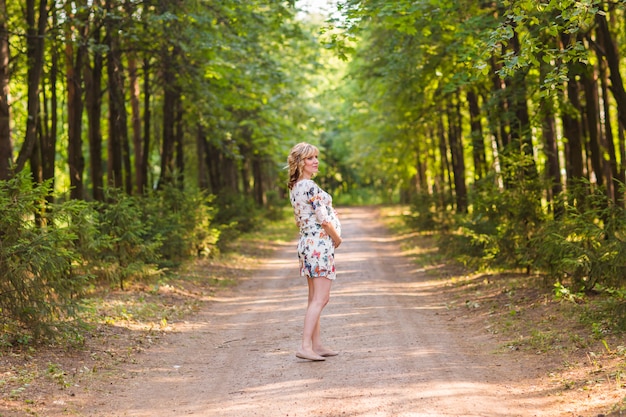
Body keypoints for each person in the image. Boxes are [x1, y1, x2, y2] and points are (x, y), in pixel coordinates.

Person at [287, 142, 343, 361]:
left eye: (316, 157)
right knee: (321, 298)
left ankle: (316, 344)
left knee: (314, 298)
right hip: (319, 245)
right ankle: (304, 346)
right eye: (310, 158)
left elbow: (308, 215)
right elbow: (323, 220)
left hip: (307, 243)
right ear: (300, 162)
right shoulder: (309, 186)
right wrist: (337, 238)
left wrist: (329, 213)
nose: (316, 161)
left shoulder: (296, 186)